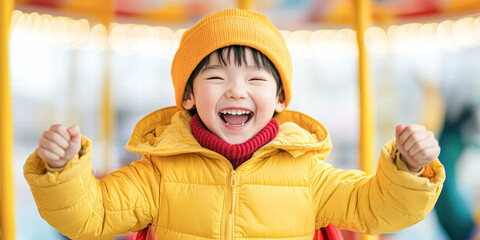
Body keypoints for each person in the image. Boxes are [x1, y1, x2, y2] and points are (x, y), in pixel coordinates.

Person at [24, 9, 445, 240]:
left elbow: (377, 210)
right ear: (188, 97)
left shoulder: (309, 174)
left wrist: (406, 170)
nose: (237, 91)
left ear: (280, 99)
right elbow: (89, 217)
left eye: (256, 79)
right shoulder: (156, 174)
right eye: (217, 77)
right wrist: (63, 171)